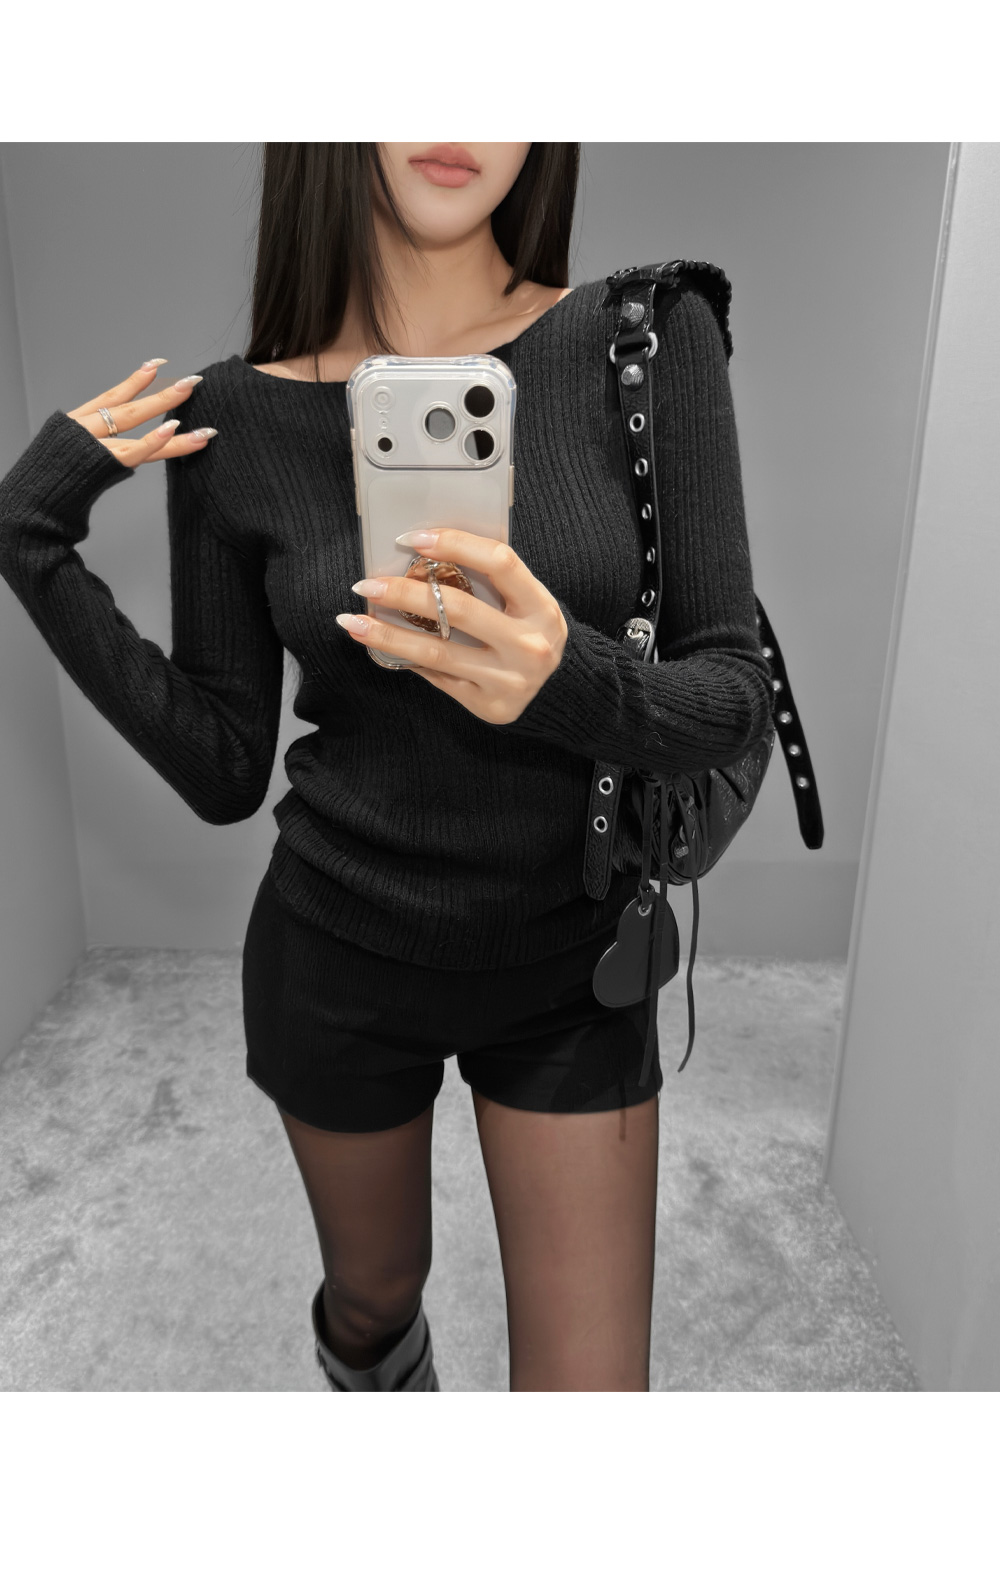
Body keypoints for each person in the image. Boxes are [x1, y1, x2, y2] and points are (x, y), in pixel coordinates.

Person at [0, 142, 773, 1392]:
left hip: (574, 959)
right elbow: (223, 766)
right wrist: (29, 539)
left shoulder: (643, 337)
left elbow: (732, 695)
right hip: (336, 958)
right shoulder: (235, 417)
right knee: (372, 1300)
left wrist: (565, 679)